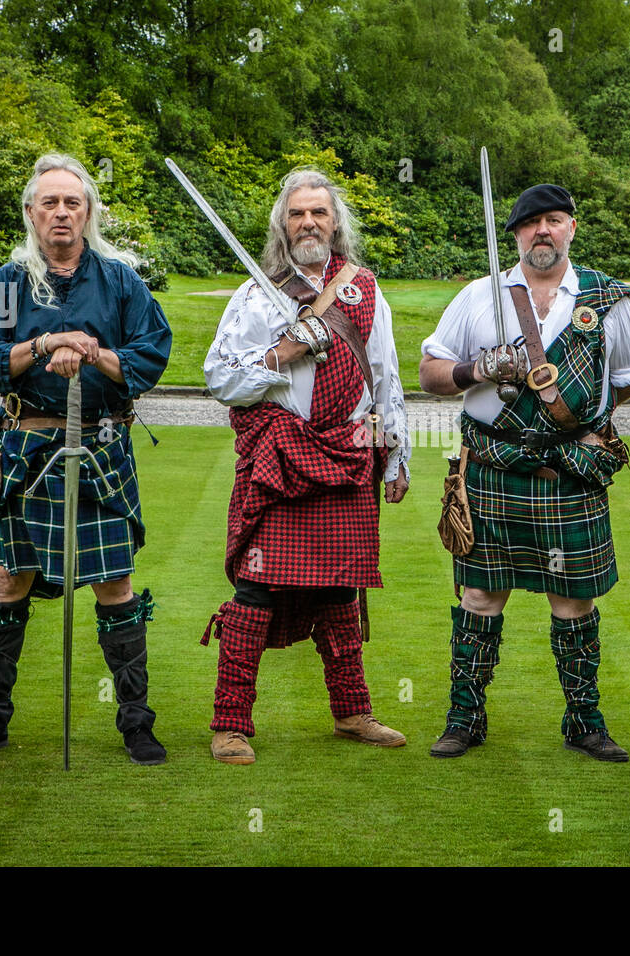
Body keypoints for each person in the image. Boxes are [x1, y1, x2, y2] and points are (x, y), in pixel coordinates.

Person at [0, 153, 172, 765]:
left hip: (99, 446)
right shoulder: (8, 282)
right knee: (8, 578)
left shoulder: (121, 281)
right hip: (24, 445)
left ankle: (137, 723)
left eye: (73, 202)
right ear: (31, 212)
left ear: (89, 212)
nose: (62, 212)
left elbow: (150, 360)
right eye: (50, 202)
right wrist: (47, 343)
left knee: (114, 581)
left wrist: (91, 352)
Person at [419, 183, 630, 762]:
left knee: (573, 601)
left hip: (569, 472)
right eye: (531, 224)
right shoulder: (480, 295)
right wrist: (479, 368)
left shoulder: (607, 301)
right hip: (493, 467)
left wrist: (582, 424)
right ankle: (464, 717)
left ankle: (584, 720)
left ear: (572, 226)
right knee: (478, 594)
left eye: (554, 220)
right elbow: (428, 371)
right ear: (517, 236)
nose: (542, 232)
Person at [200, 168, 411, 765]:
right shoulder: (256, 295)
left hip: (348, 455)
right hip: (281, 456)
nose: (309, 223)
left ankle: (352, 712)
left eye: (319, 213)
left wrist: (396, 455)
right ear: (282, 226)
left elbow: (386, 376)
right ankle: (230, 722)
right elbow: (221, 378)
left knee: (342, 588)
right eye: (297, 214)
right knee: (256, 588)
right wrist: (288, 350)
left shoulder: (365, 289)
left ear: (335, 222)